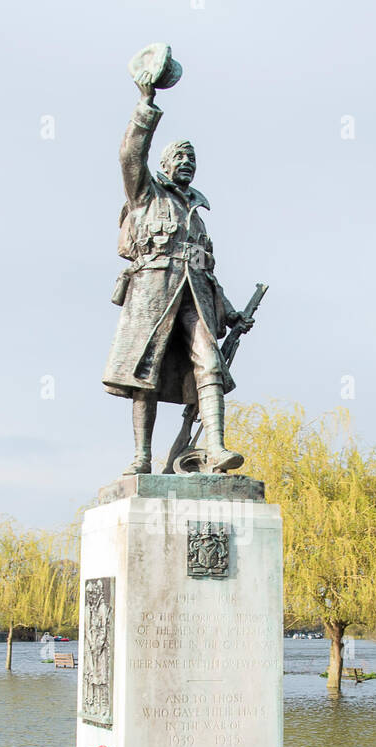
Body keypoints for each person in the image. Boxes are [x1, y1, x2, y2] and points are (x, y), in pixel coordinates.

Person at [101, 60, 253, 475]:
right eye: (180, 156)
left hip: (195, 298)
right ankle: (142, 458)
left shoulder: (197, 214)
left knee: (210, 360)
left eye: (193, 157)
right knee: (144, 375)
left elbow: (206, 269)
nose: (188, 162)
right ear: (165, 165)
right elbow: (130, 153)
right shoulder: (146, 194)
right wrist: (147, 101)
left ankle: (217, 449)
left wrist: (230, 309)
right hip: (152, 295)